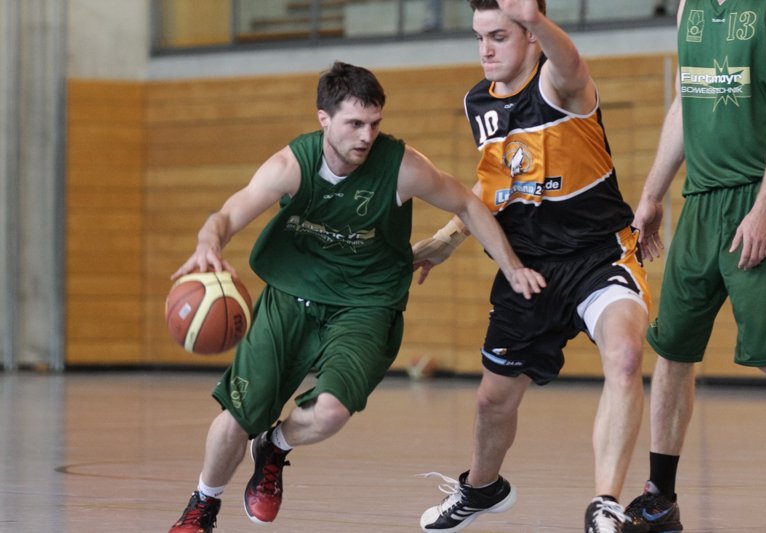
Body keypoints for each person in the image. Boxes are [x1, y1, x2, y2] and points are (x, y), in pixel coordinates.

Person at [166, 61, 543, 533]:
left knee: (330, 412)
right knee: (237, 416)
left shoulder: (401, 166)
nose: (367, 136)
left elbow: (467, 201)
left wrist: (511, 266)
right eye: (355, 124)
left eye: (374, 123)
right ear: (324, 118)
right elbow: (228, 214)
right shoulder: (292, 165)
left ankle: (275, 446)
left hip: (365, 304)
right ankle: (203, 505)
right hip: (291, 296)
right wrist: (208, 242)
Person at [413, 1, 652, 532]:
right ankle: (481, 489)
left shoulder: (559, 84)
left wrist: (540, 20)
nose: (485, 50)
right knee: (491, 402)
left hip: (597, 257)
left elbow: (572, 64)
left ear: (531, 37)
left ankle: (606, 505)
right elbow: (494, 183)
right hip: (528, 268)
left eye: (498, 36)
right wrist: (449, 237)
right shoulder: (479, 103)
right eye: (479, 38)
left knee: (626, 355)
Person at [622, 0, 766, 531]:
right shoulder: (688, 9)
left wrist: (764, 209)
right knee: (673, 348)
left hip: (762, 198)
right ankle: (660, 498)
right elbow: (685, 103)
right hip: (701, 202)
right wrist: (652, 194)